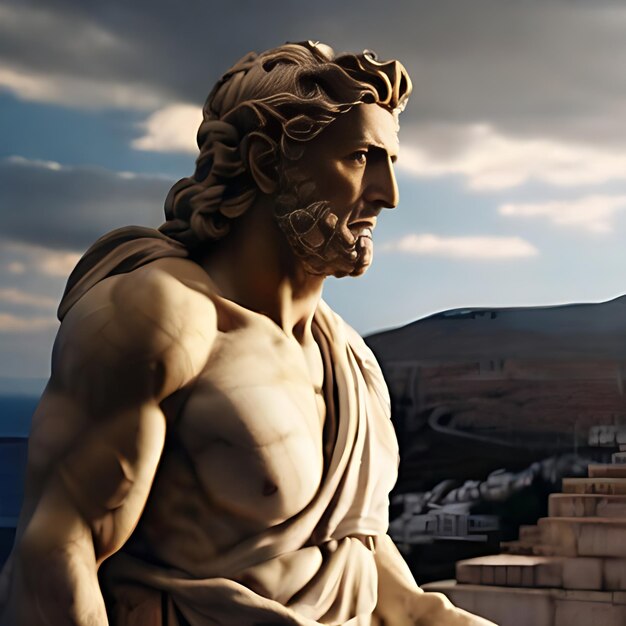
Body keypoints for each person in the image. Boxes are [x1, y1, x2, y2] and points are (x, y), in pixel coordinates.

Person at [0, 42, 495, 625]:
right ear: (265, 161)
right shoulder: (162, 319)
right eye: (362, 158)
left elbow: (354, 562)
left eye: (391, 162)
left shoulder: (353, 364)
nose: (388, 195)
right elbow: (56, 555)